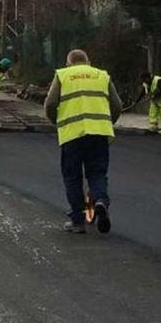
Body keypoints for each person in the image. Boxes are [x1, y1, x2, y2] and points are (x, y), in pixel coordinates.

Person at [44, 49, 122, 234]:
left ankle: (78, 222)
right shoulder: (101, 75)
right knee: (97, 173)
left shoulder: (63, 75)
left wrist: (56, 121)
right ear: (88, 62)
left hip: (72, 134)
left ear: (68, 63)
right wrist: (107, 123)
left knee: (72, 176)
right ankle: (100, 201)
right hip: (99, 133)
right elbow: (117, 104)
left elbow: (50, 104)